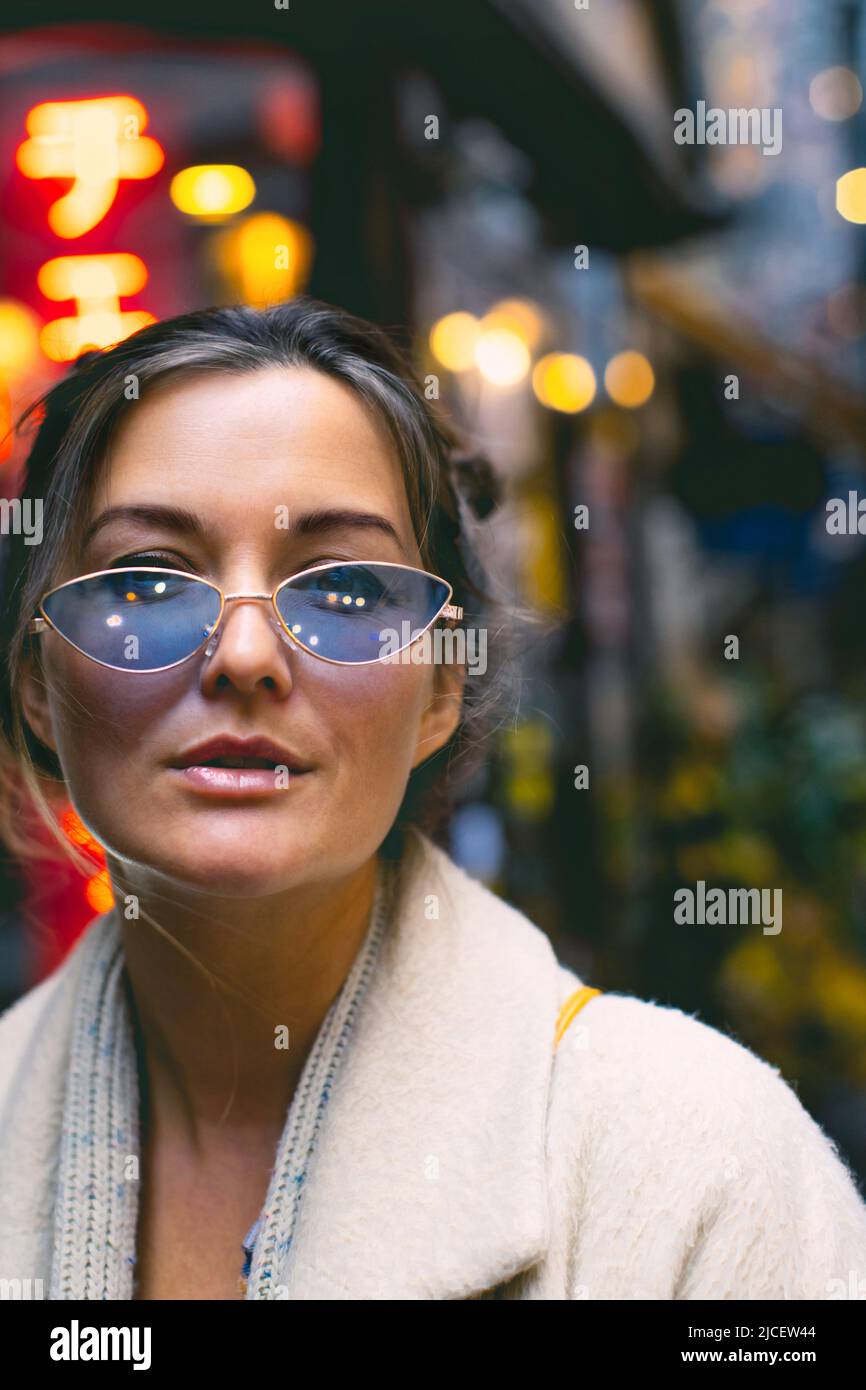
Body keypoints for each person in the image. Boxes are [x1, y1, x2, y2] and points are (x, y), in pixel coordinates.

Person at [0, 297, 864, 1301]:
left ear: (440, 689)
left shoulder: (702, 1169)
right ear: (37, 684)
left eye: (345, 589)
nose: (242, 656)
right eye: (148, 582)